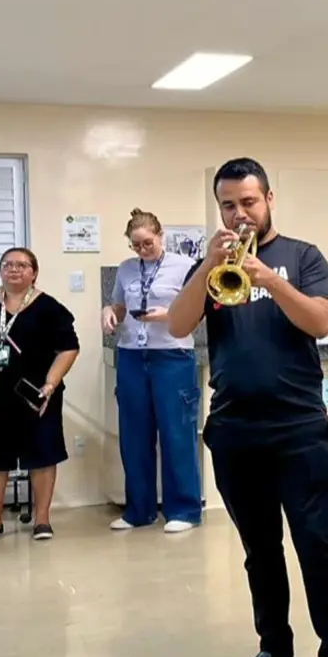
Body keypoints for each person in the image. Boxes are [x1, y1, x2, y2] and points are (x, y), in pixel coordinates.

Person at [167, 156, 328, 657]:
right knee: (260, 549)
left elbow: (322, 321)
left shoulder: (302, 257)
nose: (240, 213)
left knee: (315, 541)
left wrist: (270, 280)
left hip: (298, 425)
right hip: (234, 427)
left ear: (269, 199)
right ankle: (275, 650)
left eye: (249, 201)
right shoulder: (211, 265)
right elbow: (179, 326)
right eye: (228, 205)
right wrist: (208, 267)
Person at [0, 247, 80, 543]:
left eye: (22, 265)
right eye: (8, 264)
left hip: (36, 394)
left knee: (42, 455)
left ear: (34, 272)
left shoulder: (50, 307)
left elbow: (69, 348)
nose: (14, 269)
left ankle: (42, 520)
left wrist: (51, 383)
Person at [102, 208, 202, 533]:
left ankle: (184, 510)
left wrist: (168, 315)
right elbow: (120, 306)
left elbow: (197, 311)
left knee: (177, 434)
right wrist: (109, 312)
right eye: (136, 245)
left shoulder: (185, 266)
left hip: (172, 355)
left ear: (161, 236)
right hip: (132, 355)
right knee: (134, 436)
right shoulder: (126, 269)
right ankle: (139, 510)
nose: (143, 250)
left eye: (148, 243)